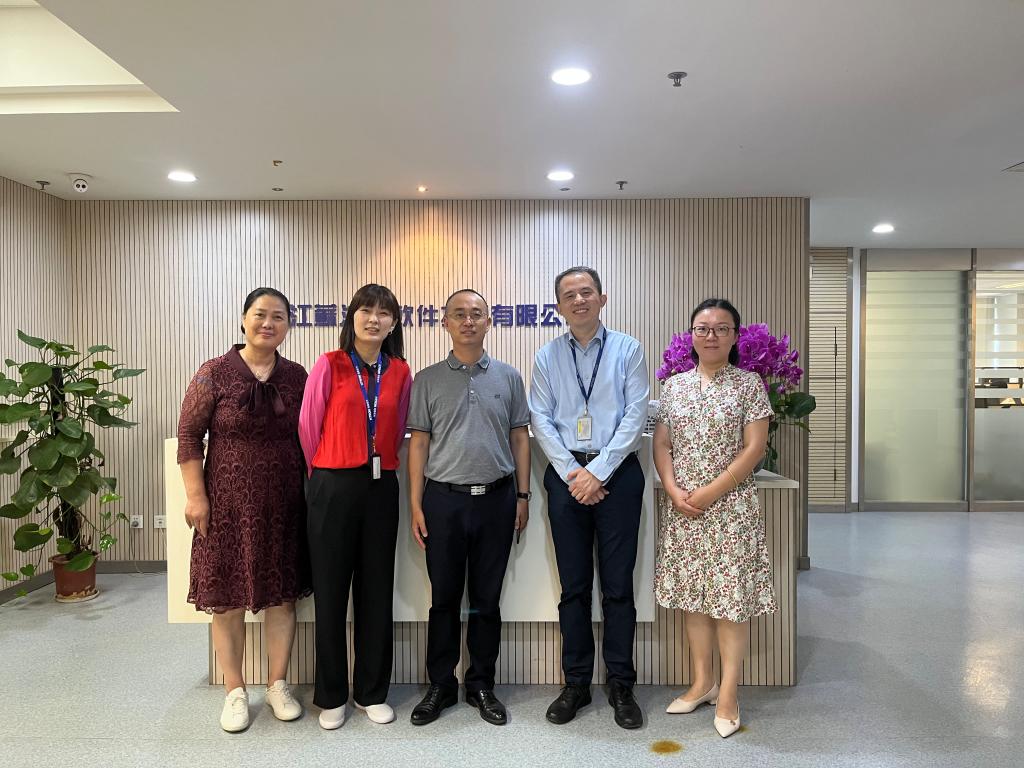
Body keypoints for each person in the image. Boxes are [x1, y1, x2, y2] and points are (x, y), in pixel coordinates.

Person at [177, 286, 311, 733]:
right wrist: (196, 496)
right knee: (227, 600)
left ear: (288, 326)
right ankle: (234, 691)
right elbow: (189, 436)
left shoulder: (296, 376)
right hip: (227, 504)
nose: (268, 323)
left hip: (284, 502)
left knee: (282, 598)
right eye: (260, 314)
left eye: (278, 317)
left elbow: (313, 433)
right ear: (243, 319)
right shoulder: (214, 372)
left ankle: (277, 684)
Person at [529, 266, 649, 730]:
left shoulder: (628, 349)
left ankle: (621, 684)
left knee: (618, 587)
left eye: (586, 292)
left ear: (602, 298)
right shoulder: (546, 357)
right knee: (574, 587)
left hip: (618, 475)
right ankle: (576, 682)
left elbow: (635, 414)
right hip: (566, 476)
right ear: (559, 306)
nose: (578, 300)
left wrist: (597, 472)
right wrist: (573, 473)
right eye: (569, 295)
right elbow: (541, 419)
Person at [652, 298, 777, 739]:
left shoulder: (749, 384)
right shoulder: (674, 387)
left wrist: (709, 492)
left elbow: (754, 449)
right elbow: (662, 444)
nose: (711, 335)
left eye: (722, 328)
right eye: (703, 328)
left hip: (730, 510)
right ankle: (702, 682)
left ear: (735, 336)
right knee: (694, 599)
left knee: (729, 602)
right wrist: (673, 489)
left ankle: (728, 692)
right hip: (684, 508)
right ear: (691, 335)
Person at [406, 288, 531, 727]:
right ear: (445, 322)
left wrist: (522, 495)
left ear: (488, 321)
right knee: (443, 599)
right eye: (459, 314)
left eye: (476, 314)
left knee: (486, 600)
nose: (468, 321)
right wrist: (416, 503)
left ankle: (480, 684)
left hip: (497, 500)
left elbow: (520, 438)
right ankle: (440, 684)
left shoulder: (509, 378)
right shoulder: (427, 380)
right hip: (443, 501)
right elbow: (418, 445)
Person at [298, 284, 412, 730]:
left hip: (381, 488)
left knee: (376, 591)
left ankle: (371, 691)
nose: (374, 319)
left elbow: (398, 429)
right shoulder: (329, 364)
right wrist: (328, 473)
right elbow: (308, 428)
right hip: (332, 486)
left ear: (394, 323)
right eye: (366, 310)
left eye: (384, 313)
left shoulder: (399, 371)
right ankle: (331, 695)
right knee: (330, 593)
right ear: (352, 318)